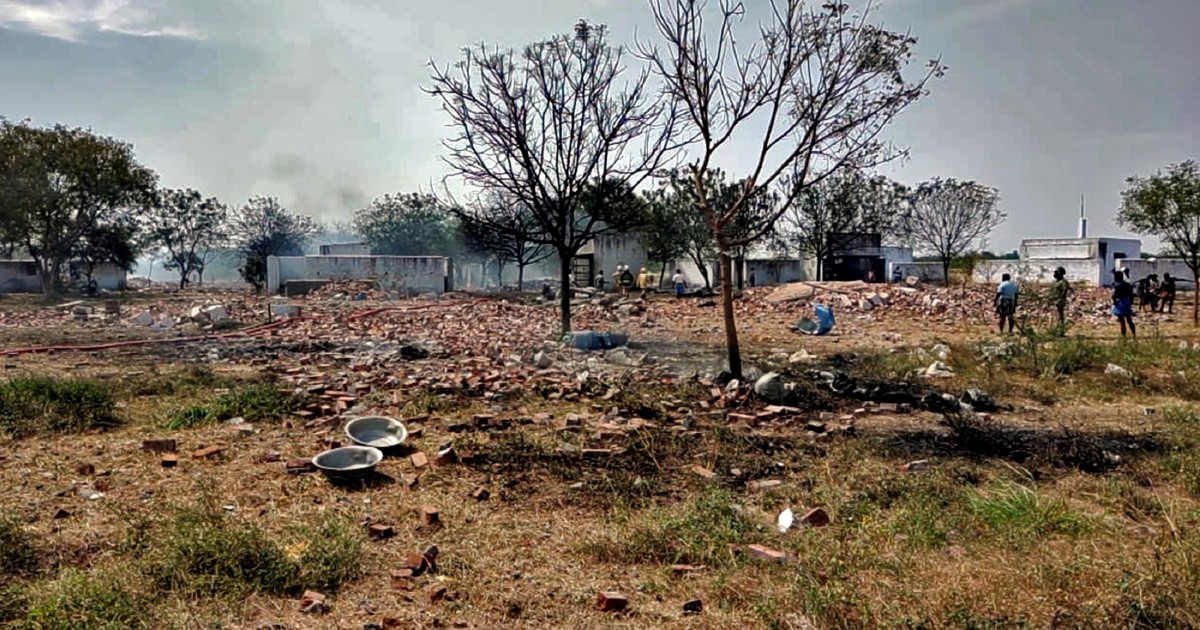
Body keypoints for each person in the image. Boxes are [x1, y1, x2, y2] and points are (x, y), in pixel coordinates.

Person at [1112, 268, 1136, 338]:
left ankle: (1124, 337)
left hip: (1120, 302)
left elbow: (1114, 296)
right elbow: (1131, 294)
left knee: (1122, 322)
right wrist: (1131, 303)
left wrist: (1115, 302)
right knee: (1129, 320)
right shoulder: (1127, 285)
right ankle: (1134, 334)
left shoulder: (1117, 286)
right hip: (1127, 301)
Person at [1048, 267, 1073, 331]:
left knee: (1060, 315)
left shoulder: (1063, 282)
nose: (1055, 274)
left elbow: (1064, 291)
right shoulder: (1056, 282)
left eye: (1057, 272)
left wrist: (1060, 299)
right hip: (1053, 300)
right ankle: (1054, 329)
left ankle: (1060, 330)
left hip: (1059, 300)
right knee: (1054, 316)